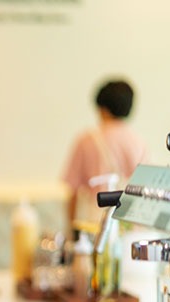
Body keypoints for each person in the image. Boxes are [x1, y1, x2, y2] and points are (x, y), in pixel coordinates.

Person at [63, 79, 148, 229]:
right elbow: (146, 187)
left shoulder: (86, 140)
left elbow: (73, 191)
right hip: (130, 225)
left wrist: (72, 229)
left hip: (96, 225)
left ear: (102, 108)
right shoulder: (138, 142)